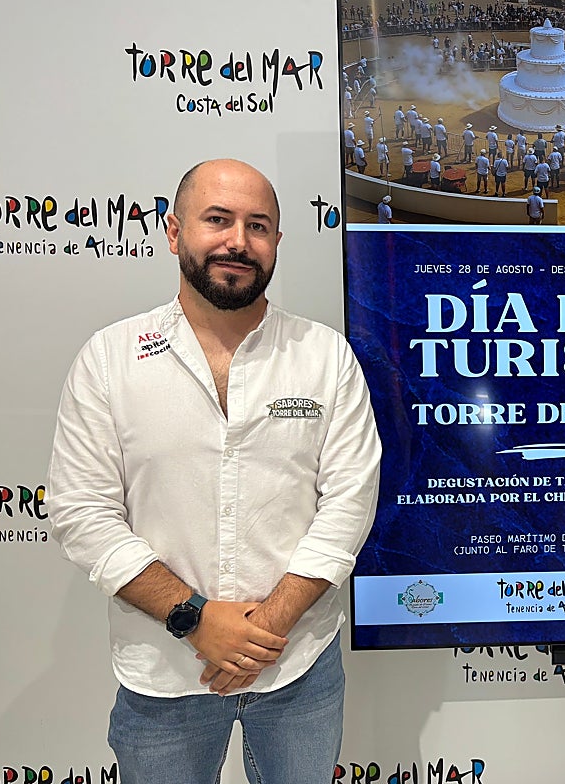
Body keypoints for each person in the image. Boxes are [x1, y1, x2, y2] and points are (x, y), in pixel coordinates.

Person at [47, 159, 381, 784]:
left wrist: (267, 628)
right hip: (165, 674)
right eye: (218, 220)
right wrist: (196, 619)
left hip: (298, 668)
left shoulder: (325, 356)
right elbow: (82, 514)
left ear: (277, 240)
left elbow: (349, 502)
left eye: (258, 226)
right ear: (174, 231)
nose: (238, 241)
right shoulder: (109, 360)